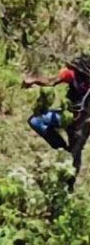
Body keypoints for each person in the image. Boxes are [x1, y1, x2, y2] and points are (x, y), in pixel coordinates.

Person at [24, 55, 90, 185]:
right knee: (35, 121)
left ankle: (69, 184)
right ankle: (61, 147)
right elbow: (51, 81)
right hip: (65, 116)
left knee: (75, 152)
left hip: (83, 123)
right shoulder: (71, 74)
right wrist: (34, 80)